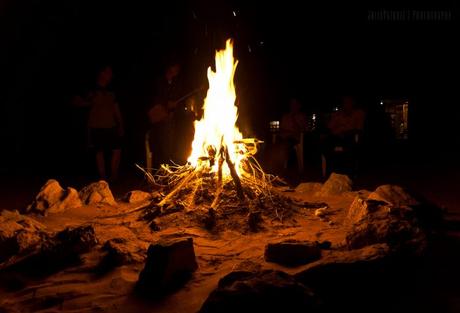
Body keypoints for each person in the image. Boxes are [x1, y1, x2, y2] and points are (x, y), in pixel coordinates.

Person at [73, 66, 124, 181]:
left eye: (111, 73)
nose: (110, 75)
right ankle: (102, 178)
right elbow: (78, 102)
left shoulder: (111, 90)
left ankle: (114, 176)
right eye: (108, 72)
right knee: (99, 151)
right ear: (102, 73)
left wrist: (120, 124)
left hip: (111, 125)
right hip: (96, 125)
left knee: (117, 149)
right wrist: (88, 101)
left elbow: (116, 108)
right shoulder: (92, 89)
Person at [147, 62, 183, 167]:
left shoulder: (175, 83)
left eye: (178, 68)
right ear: (169, 67)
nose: (177, 70)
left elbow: (177, 99)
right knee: (158, 144)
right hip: (158, 118)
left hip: (169, 118)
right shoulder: (159, 81)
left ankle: (166, 167)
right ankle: (158, 168)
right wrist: (166, 103)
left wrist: (174, 106)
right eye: (175, 67)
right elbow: (154, 97)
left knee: (168, 145)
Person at [322, 96, 365, 177]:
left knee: (348, 147)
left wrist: (345, 132)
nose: (347, 104)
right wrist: (334, 119)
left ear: (353, 103)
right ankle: (331, 171)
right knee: (326, 144)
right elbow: (330, 127)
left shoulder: (358, 113)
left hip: (350, 136)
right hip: (336, 136)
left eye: (349, 102)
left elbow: (359, 129)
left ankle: (347, 172)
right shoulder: (338, 114)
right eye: (345, 102)